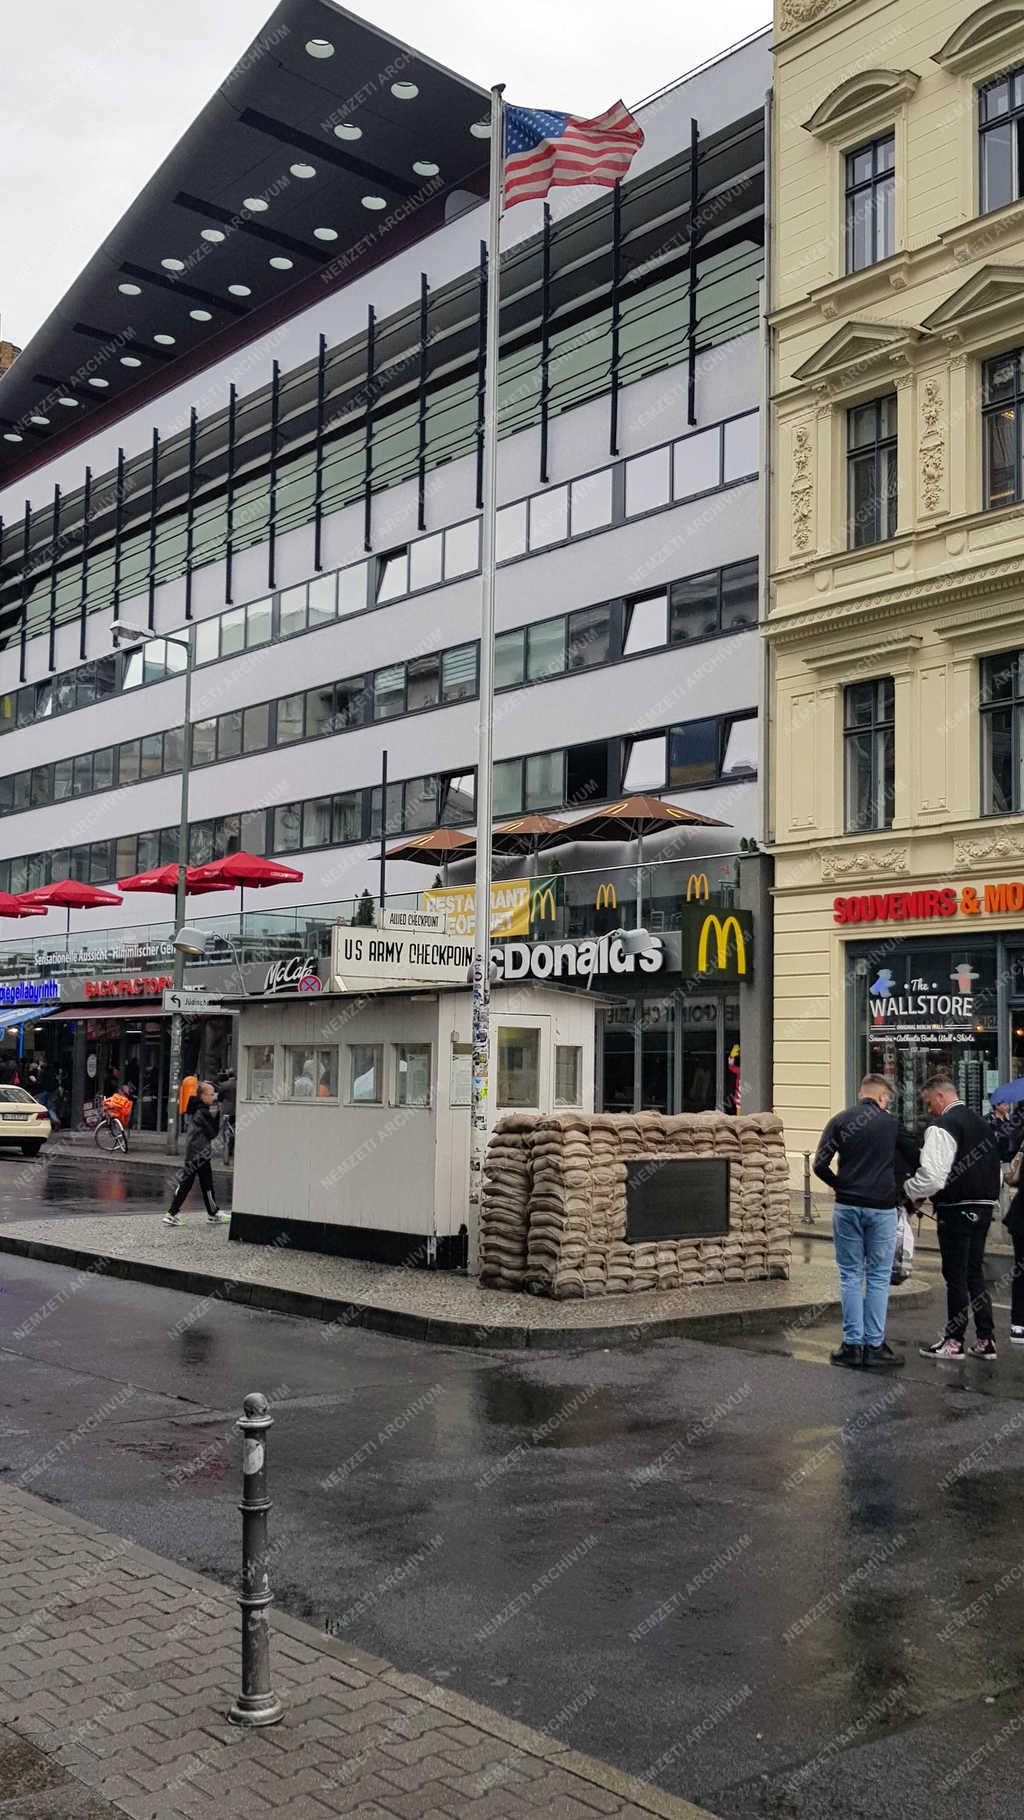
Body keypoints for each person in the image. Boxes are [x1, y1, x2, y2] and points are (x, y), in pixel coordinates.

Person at [814, 1073, 918, 1369]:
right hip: (882, 1209)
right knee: (878, 1277)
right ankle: (874, 1346)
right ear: (881, 1097)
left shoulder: (841, 1120)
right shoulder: (891, 1124)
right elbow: (914, 1158)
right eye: (888, 1098)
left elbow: (819, 1164)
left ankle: (851, 1346)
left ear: (861, 1094)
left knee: (850, 1275)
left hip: (847, 1206)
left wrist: (840, 1184)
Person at [905, 1073, 1002, 1360]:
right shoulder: (983, 1124)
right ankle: (986, 1338)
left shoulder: (944, 1125)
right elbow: (995, 1168)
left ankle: (954, 1340)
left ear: (940, 1097)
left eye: (928, 1103)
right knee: (975, 1274)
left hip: (956, 1207)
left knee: (955, 1275)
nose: (929, 1110)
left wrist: (909, 1191)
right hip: (984, 1205)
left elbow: (933, 1176)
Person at [164, 1082, 228, 1226]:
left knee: (192, 1184)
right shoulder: (203, 1112)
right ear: (203, 1095)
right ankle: (212, 1213)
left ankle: (173, 1213)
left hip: (193, 1152)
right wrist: (216, 1116)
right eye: (211, 1094)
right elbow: (212, 1133)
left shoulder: (196, 1110)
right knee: (205, 1184)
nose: (214, 1097)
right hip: (200, 1153)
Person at [217, 1069, 236, 1161]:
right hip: (237, 1110)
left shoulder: (224, 1085)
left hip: (227, 1111)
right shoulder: (238, 1084)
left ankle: (227, 1150)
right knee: (235, 1129)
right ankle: (232, 1148)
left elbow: (220, 1098)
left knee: (226, 1130)